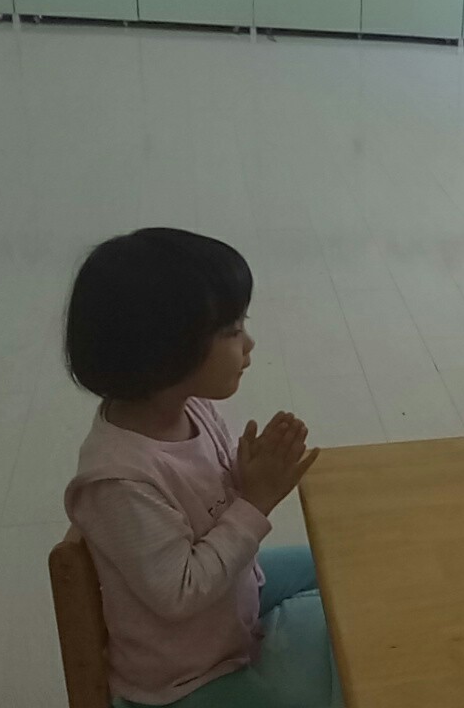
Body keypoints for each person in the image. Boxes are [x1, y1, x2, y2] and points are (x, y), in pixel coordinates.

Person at [62, 228, 340, 708]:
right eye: (232, 331)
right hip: (188, 678)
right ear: (165, 352)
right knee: (353, 662)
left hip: (230, 602)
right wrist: (254, 501)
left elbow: (207, 503)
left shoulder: (187, 408)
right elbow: (181, 591)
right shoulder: (117, 481)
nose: (249, 343)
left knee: (342, 568)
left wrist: (244, 476)